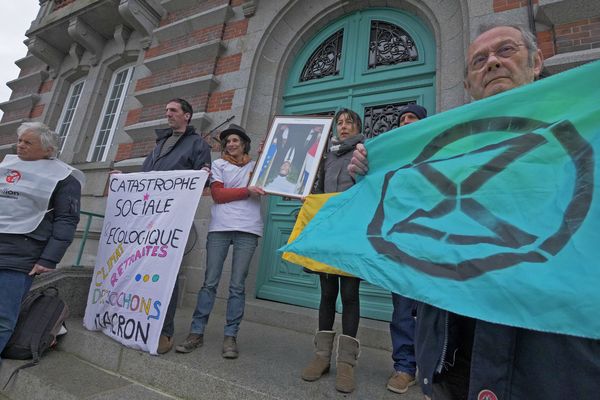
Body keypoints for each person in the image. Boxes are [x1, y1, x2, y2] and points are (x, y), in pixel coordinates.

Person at [349, 25, 600, 399]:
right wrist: (371, 177)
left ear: (537, 62)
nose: (493, 63)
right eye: (479, 60)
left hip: (552, 363)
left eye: (506, 51)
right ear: (467, 84)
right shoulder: (446, 153)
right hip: (451, 354)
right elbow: (405, 224)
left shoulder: (589, 134)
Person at [175, 124, 265, 359]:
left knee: (237, 286)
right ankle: (196, 332)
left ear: (244, 143)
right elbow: (218, 195)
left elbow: (279, 177)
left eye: (236, 140)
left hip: (248, 228)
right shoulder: (219, 165)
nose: (231, 144)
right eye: (228, 142)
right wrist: (247, 191)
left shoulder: (256, 167)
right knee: (210, 282)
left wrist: (269, 156)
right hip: (220, 228)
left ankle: (230, 337)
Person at [0, 122, 82, 360]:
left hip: (21, 255)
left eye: (28, 142)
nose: (20, 146)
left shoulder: (65, 178)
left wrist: (49, 257)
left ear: (47, 149)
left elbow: (67, 219)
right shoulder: (6, 166)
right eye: (19, 141)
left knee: (3, 316)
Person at [301, 108, 365, 394]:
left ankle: (347, 363)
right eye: (339, 123)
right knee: (327, 295)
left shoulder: (365, 153)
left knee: (350, 295)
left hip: (351, 234)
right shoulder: (326, 158)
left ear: (358, 127)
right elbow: (314, 190)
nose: (343, 127)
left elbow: (372, 188)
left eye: (349, 122)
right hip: (327, 233)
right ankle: (321, 357)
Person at [141, 98, 211, 354]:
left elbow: (201, 182)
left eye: (173, 110)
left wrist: (203, 174)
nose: (167, 114)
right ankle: (142, 322)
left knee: (166, 274)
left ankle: (164, 331)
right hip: (149, 220)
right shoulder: (159, 144)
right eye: (166, 110)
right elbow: (144, 176)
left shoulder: (198, 145)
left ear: (187, 115)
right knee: (144, 271)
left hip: (174, 221)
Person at [385, 104, 428, 395]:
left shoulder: (440, 150)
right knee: (402, 308)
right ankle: (405, 367)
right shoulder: (391, 155)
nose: (405, 122)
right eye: (401, 119)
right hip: (399, 240)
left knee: (434, 308)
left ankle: (436, 369)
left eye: (411, 118)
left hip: (434, 241)